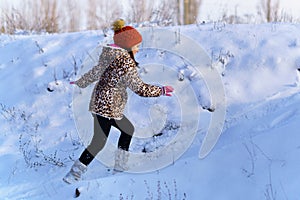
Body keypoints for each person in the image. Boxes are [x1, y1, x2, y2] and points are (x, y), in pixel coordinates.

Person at [63, 19, 174, 184]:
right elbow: (139, 88)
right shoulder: (125, 62)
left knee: (126, 130)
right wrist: (161, 90)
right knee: (99, 142)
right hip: (108, 107)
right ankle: (74, 175)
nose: (138, 49)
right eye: (136, 45)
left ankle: (118, 167)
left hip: (101, 103)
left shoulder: (109, 54)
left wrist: (82, 81)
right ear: (128, 45)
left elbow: (96, 72)